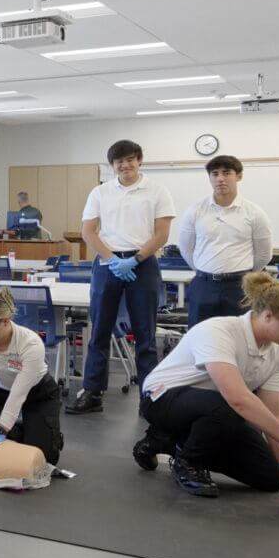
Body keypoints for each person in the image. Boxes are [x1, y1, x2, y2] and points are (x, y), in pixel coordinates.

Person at [134, 271, 279, 499]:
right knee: (232, 406)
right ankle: (188, 463)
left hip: (214, 410)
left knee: (269, 478)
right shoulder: (218, 331)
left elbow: (274, 412)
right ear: (267, 316)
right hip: (161, 398)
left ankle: (169, 441)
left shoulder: (278, 354)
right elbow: (238, 398)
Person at [71, 140, 174, 413]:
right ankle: (92, 392)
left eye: (130, 159)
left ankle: (149, 396)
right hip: (108, 263)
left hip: (143, 262)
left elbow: (162, 233)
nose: (124, 165)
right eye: (119, 161)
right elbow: (88, 231)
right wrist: (111, 259)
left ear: (139, 160)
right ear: (112, 165)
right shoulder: (100, 192)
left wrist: (136, 259)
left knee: (145, 333)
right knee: (100, 330)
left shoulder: (157, 191)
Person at [0, 289, 63, 463]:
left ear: (5, 321)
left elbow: (19, 393)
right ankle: (18, 430)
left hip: (38, 393)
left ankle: (42, 431)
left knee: (44, 459)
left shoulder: (31, 344)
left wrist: (1, 430)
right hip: (0, 390)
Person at [173, 154, 273, 326]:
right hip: (204, 285)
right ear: (210, 178)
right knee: (200, 338)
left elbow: (264, 254)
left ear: (238, 176)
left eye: (226, 173)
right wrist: (205, 270)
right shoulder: (195, 210)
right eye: (215, 174)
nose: (220, 179)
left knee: (242, 339)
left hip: (240, 287)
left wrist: (244, 275)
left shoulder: (254, 213)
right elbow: (186, 248)